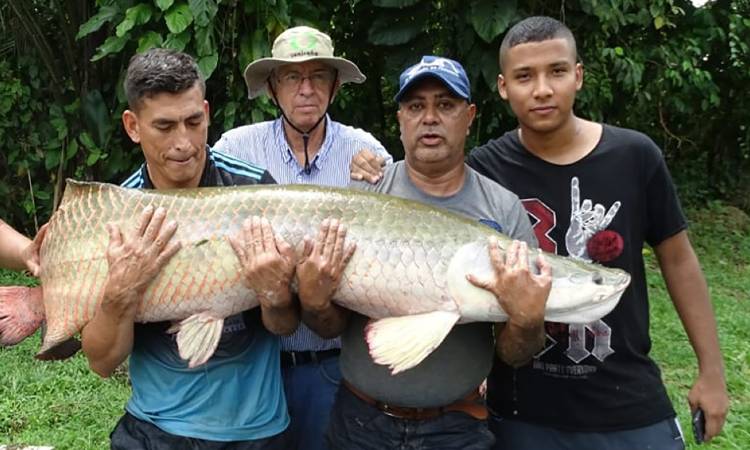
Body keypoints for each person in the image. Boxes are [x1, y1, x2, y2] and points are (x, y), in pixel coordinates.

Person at [464, 16, 729, 449]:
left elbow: (679, 261)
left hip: (625, 399)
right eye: (525, 76)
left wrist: (712, 371)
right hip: (521, 407)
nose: (543, 89)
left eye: (557, 71)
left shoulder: (634, 156)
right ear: (503, 86)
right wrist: (369, 166)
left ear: (579, 76)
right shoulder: (483, 169)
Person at [308, 55, 552, 449]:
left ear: (469, 115)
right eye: (416, 106)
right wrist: (314, 300)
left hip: (458, 426)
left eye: (446, 104)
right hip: (360, 422)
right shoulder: (363, 195)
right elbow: (330, 325)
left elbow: (516, 353)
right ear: (401, 118)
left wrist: (526, 321)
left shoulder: (502, 209)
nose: (430, 117)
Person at [80, 48, 298, 449]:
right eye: (164, 127)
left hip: (256, 431)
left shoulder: (257, 192)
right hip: (155, 431)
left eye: (193, 122)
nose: (183, 143)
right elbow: (102, 362)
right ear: (133, 126)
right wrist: (119, 293)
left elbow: (284, 325)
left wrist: (274, 291)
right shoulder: (117, 214)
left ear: (207, 113)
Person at [213, 25, 392, 450]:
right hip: (255, 364)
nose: (306, 89)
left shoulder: (364, 151)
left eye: (317, 76)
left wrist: (382, 177)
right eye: (292, 77)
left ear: (334, 85)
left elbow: (392, 231)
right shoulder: (237, 149)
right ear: (273, 87)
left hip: (332, 361)